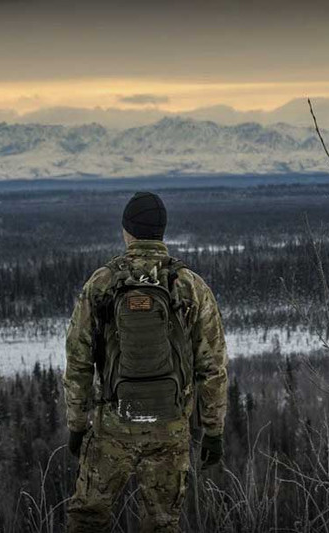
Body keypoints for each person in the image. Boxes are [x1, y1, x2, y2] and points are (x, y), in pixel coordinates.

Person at [63, 191, 228, 532]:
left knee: (88, 517)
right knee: (161, 522)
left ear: (128, 231)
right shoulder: (189, 285)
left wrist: (77, 424)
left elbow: (78, 360)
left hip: (113, 423)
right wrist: (213, 429)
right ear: (162, 232)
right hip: (170, 424)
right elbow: (211, 365)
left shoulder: (103, 283)